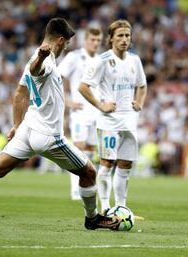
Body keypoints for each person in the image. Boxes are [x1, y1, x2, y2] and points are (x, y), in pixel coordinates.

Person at [0, 18, 121, 230]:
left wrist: (16, 125)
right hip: (48, 136)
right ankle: (92, 218)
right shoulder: (44, 61)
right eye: (66, 43)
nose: (66, 47)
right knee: (89, 173)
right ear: (60, 40)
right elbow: (35, 70)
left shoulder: (38, 58)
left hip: (28, 128)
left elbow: (20, 93)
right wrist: (40, 58)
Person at [79, 19, 147, 214]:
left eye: (127, 36)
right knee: (107, 163)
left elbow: (142, 85)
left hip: (129, 120)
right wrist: (100, 105)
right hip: (109, 121)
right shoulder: (103, 61)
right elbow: (83, 86)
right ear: (111, 39)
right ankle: (105, 206)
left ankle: (121, 206)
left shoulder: (135, 60)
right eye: (120, 36)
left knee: (125, 164)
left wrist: (139, 102)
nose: (124, 39)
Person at [58, 27, 103, 200]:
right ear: (85, 40)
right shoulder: (74, 57)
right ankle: (75, 190)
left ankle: (88, 185)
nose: (95, 43)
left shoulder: (100, 59)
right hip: (80, 111)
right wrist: (66, 100)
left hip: (96, 112)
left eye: (98, 40)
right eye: (92, 39)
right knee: (78, 149)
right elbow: (57, 78)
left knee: (91, 150)